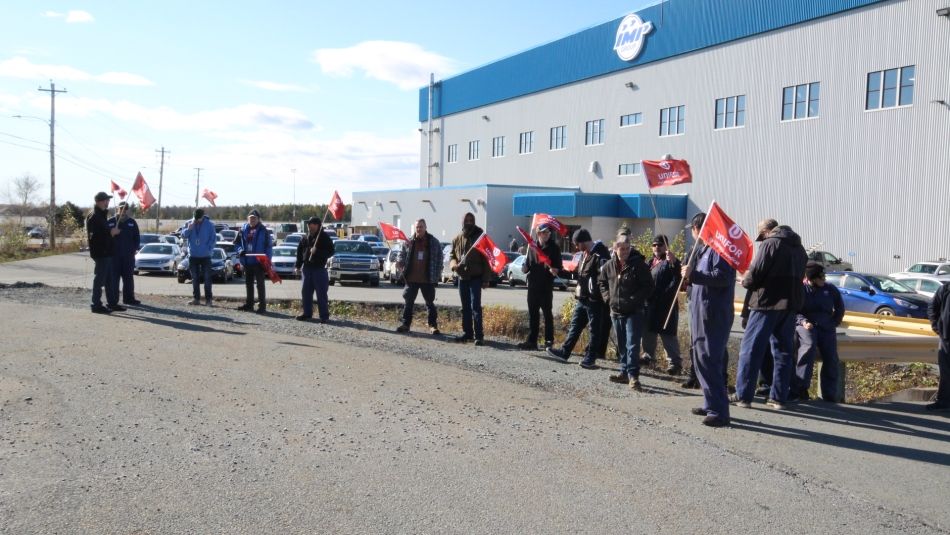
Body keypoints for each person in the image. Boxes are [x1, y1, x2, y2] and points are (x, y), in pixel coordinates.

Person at [733, 219, 808, 410]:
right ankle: (778, 398)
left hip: (766, 303)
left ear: (766, 231)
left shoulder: (770, 244)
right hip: (790, 305)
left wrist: (745, 281)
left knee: (751, 349)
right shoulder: (800, 249)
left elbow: (756, 272)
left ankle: (743, 396)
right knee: (783, 352)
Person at [682, 212, 735, 427]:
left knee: (710, 360)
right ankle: (709, 400)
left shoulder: (719, 250)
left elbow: (722, 277)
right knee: (700, 358)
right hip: (700, 312)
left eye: (693, 230)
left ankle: (719, 411)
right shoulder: (705, 250)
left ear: (699, 229)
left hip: (713, 314)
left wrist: (694, 275)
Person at [598, 233, 654, 390]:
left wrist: (633, 300)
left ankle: (633, 376)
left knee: (632, 345)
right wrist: (607, 298)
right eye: (621, 248)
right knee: (622, 344)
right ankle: (623, 372)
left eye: (627, 249)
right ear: (615, 248)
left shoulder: (639, 265)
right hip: (615, 311)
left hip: (633, 312)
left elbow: (648, 286)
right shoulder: (609, 265)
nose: (624, 252)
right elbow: (601, 282)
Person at [547, 228, 610, 368]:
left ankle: (591, 357)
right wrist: (559, 271)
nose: (576, 247)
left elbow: (605, 278)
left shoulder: (600, 255)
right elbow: (579, 275)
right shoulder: (584, 255)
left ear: (584, 242)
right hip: (582, 298)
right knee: (575, 326)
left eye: (577, 243)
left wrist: (598, 295)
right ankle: (565, 352)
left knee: (594, 330)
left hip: (595, 300)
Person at [792, 261, 845, 402]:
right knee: (808, 347)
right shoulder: (801, 289)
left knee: (831, 357)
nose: (824, 280)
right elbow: (794, 311)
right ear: (811, 279)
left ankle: (829, 394)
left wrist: (834, 322)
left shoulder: (830, 289)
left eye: (824, 277)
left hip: (826, 327)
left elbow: (840, 308)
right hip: (806, 325)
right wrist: (803, 321)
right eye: (820, 278)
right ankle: (801, 388)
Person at [642, 234, 683, 375]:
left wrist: (674, 263)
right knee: (648, 331)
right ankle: (648, 356)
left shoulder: (671, 261)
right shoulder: (650, 262)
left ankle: (674, 363)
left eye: (660, 245)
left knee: (668, 335)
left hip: (666, 305)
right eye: (654, 245)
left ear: (666, 246)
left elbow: (677, 279)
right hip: (650, 303)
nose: (657, 247)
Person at [516, 223, 563, 350]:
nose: (546, 234)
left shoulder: (554, 248)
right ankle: (532, 341)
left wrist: (556, 270)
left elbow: (559, 267)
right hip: (533, 286)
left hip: (546, 286)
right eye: (543, 232)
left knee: (547, 314)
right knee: (533, 314)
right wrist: (524, 268)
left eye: (548, 232)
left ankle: (549, 341)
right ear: (538, 234)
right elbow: (527, 267)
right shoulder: (532, 247)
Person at [449, 212, 491, 345]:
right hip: (462, 278)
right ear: (462, 222)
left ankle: (479, 336)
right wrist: (454, 265)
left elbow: (487, 259)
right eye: (466, 220)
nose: (468, 222)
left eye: (471, 220)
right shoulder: (457, 239)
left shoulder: (480, 238)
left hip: (476, 278)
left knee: (475, 307)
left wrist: (486, 279)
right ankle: (467, 333)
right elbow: (452, 256)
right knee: (465, 307)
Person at [396, 219, 444, 335]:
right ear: (415, 228)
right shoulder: (408, 241)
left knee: (430, 303)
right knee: (408, 302)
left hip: (427, 279)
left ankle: (433, 326)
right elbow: (401, 255)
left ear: (425, 227)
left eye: (421, 227)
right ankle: (405, 324)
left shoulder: (433, 242)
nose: (419, 229)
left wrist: (436, 275)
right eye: (417, 227)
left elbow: (439, 259)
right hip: (411, 279)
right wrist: (399, 263)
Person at [86, 192, 125, 314]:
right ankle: (95, 304)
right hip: (101, 252)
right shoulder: (94, 216)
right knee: (99, 279)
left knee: (109, 280)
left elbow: (103, 232)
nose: (107, 202)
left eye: (108, 200)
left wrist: (110, 232)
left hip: (107, 252)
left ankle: (112, 303)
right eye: (105, 200)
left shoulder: (101, 215)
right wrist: (110, 232)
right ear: (98, 201)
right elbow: (95, 236)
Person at [295, 216, 335, 322]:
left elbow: (331, 252)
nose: (309, 226)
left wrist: (317, 251)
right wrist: (297, 266)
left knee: (321, 294)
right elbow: (299, 253)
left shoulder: (324, 237)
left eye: (312, 224)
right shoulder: (304, 238)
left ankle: (324, 316)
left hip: (319, 269)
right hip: (307, 269)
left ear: (318, 225)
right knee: (306, 293)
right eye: (309, 224)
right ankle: (307, 313)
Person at [235, 209, 272, 313]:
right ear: (248, 219)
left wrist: (267, 261)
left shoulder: (263, 230)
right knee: (248, 284)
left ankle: (262, 307)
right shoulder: (242, 230)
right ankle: (249, 305)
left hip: (259, 262)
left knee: (260, 284)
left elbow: (268, 246)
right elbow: (237, 243)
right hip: (247, 262)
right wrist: (240, 250)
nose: (252, 220)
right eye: (251, 218)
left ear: (258, 219)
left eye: (254, 218)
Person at [107, 201, 141, 306]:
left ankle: (129, 299)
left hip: (128, 256)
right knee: (114, 279)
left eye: (125, 208)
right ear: (118, 208)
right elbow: (105, 238)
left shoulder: (132, 222)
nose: (123, 210)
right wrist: (112, 233)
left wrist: (134, 249)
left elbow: (137, 238)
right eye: (121, 208)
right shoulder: (111, 222)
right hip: (114, 257)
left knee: (128, 279)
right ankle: (114, 301)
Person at [181, 208, 217, 306]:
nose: (197, 220)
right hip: (193, 256)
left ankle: (208, 300)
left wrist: (208, 249)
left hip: (206, 256)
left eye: (198, 219)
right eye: (195, 218)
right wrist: (189, 229)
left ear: (203, 217)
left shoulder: (209, 225)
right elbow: (183, 236)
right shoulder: (189, 223)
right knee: (195, 278)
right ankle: (196, 299)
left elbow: (213, 239)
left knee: (207, 278)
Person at [927, 281, 950, 412]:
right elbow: (932, 307)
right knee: (946, 371)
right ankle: (943, 401)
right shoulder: (945, 289)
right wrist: (936, 326)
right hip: (946, 337)